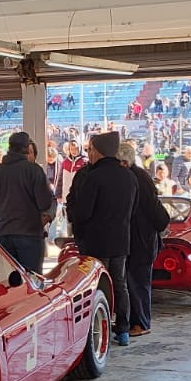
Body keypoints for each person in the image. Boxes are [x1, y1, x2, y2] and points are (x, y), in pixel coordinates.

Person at [66, 130, 137, 347]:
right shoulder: (129, 176)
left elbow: (83, 213)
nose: (89, 154)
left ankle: (96, 330)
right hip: (121, 240)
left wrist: (76, 226)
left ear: (99, 152)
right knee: (119, 284)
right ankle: (123, 329)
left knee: (95, 287)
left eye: (91, 150)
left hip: (96, 241)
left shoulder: (94, 177)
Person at [118, 140, 170, 337]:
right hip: (136, 238)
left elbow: (155, 211)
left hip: (142, 239)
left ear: (123, 161)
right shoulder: (135, 176)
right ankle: (134, 321)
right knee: (132, 282)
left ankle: (141, 322)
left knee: (138, 282)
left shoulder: (139, 178)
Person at [0, 130, 53, 273]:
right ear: (26, 148)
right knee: (32, 282)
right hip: (30, 235)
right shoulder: (33, 170)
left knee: (12, 283)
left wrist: (6, 217)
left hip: (5, 234)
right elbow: (44, 203)